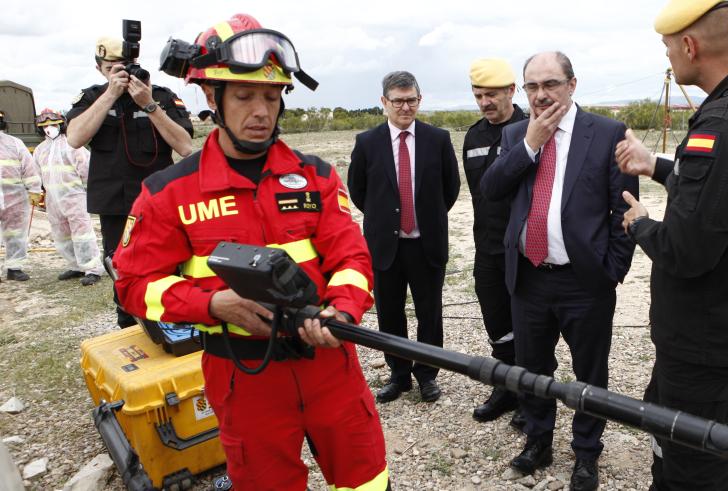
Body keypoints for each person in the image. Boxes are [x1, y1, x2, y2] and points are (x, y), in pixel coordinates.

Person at [113, 14, 388, 490]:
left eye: (271, 95)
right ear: (211, 97)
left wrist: (341, 310)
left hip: (329, 364)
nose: (261, 111)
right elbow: (134, 284)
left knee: (366, 480)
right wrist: (211, 305)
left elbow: (352, 260)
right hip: (242, 374)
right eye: (244, 96)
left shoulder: (316, 175)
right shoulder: (168, 193)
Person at [616, 0, 728, 488]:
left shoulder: (722, 123)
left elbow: (687, 249)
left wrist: (640, 224)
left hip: (705, 341)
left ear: (690, 46)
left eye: (669, 48)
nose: (669, 59)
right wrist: (655, 165)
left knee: (692, 465)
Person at [481, 51, 638, 491]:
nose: (541, 94)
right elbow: (492, 190)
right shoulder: (516, 135)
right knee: (532, 370)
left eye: (550, 84)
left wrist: (612, 270)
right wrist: (531, 143)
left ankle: (587, 453)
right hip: (529, 278)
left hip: (584, 282)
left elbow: (623, 211)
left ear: (572, 84)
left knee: (590, 374)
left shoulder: (606, 134)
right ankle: (538, 441)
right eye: (532, 86)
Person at [347, 71, 460, 405]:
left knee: (429, 313)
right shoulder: (366, 143)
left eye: (411, 100)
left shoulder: (438, 139)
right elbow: (359, 192)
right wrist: (385, 219)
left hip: (426, 244)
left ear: (419, 100)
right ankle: (398, 375)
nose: (405, 107)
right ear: (385, 103)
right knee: (390, 313)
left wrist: (426, 216)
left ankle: (427, 375)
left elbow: (450, 189)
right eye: (398, 101)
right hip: (386, 246)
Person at [66, 35, 194, 327]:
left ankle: (176, 323)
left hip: (162, 203)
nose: (121, 72)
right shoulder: (90, 98)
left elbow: (185, 146)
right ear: (100, 69)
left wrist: (148, 105)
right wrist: (110, 95)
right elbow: (74, 138)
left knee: (171, 264)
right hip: (116, 204)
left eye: (126, 65)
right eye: (113, 68)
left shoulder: (159, 95)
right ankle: (130, 323)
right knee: (123, 270)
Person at [462, 58, 528, 426]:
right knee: (497, 323)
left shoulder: (530, 130)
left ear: (511, 91)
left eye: (492, 94)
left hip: (523, 250)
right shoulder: (474, 136)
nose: (485, 102)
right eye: (478, 95)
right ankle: (506, 388)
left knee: (530, 327)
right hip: (487, 249)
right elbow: (475, 195)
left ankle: (530, 395)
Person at [33, 109, 102, 285]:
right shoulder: (40, 150)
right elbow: (36, 174)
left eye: (53, 124)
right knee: (61, 234)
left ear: (60, 125)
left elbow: (86, 170)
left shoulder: (72, 145)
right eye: (45, 126)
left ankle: (92, 269)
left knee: (82, 233)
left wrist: (89, 193)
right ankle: (76, 266)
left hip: (74, 197)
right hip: (53, 199)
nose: (49, 128)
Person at [0, 108, 43, 281]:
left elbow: (29, 168)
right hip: (12, 196)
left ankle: (14, 267)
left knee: (16, 233)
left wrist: (34, 189)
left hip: (14, 198)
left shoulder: (14, 143)